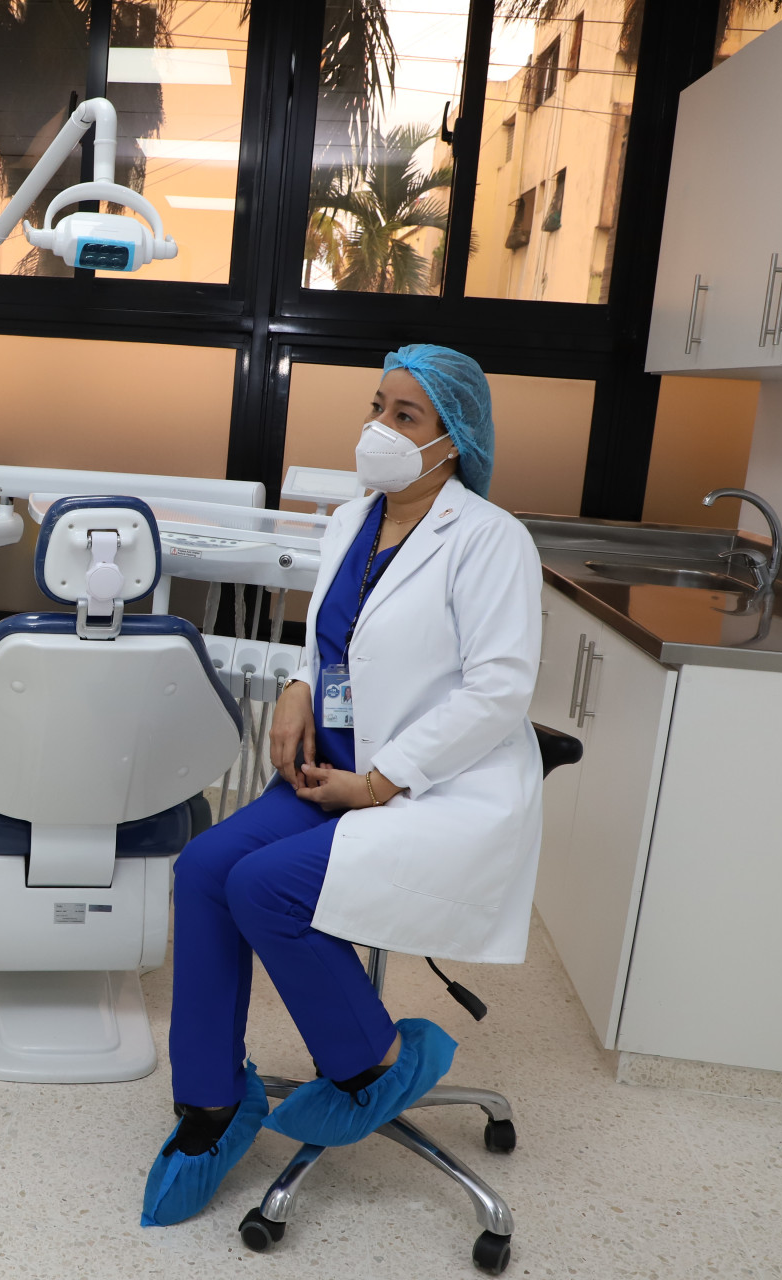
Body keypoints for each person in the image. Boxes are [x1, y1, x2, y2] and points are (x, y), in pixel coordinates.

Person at [142, 344, 545, 1227]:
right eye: (377, 407)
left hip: (430, 783)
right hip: (328, 766)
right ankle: (211, 1101)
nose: (380, 429)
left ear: (453, 437)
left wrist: (379, 783)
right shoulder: (353, 520)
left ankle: (377, 1062)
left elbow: (499, 690)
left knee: (263, 886)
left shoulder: (489, 539)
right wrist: (295, 687)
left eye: (406, 415)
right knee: (203, 868)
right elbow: (333, 642)